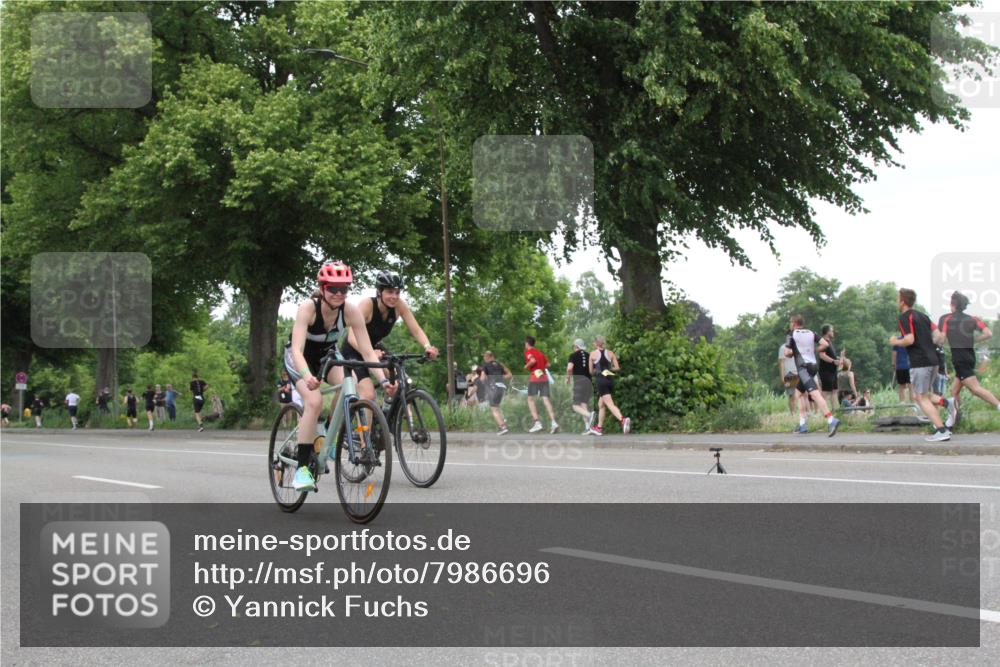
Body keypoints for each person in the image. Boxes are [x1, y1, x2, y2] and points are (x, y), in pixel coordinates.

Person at [283, 261, 397, 492]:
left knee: (352, 385)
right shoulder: (308, 307)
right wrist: (306, 376)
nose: (338, 294)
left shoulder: (350, 311)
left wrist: (384, 381)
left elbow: (366, 351)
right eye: (332, 288)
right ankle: (302, 470)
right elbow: (296, 349)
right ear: (322, 288)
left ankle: (326, 431)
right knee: (313, 402)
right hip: (300, 358)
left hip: (327, 357)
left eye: (343, 289)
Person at [340, 270, 438, 406]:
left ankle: (390, 415)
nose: (394, 296)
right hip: (353, 350)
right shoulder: (367, 305)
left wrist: (427, 347)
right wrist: (370, 352)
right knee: (368, 394)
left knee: (402, 381)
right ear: (379, 291)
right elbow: (351, 337)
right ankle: (362, 427)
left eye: (397, 292)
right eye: (390, 292)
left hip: (375, 347)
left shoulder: (399, 306)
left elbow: (415, 329)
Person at [889, 288, 955, 442]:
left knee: (920, 397)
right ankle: (947, 402)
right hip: (933, 360)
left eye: (897, 299)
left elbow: (909, 339)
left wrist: (895, 342)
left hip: (920, 362)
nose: (896, 301)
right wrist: (927, 344)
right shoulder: (923, 316)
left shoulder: (904, 317)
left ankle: (941, 430)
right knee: (922, 394)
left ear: (903, 301)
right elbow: (939, 336)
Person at [935, 290, 1000, 430]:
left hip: (960, 359)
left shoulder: (947, 319)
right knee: (954, 391)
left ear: (952, 304)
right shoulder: (973, 319)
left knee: (975, 389)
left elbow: (941, 338)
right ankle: (953, 422)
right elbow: (988, 333)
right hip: (969, 358)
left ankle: (998, 405)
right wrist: (974, 340)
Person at [785, 314, 841, 436]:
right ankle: (802, 424)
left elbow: (786, 353)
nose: (790, 324)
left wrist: (794, 352)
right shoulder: (811, 332)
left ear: (794, 323)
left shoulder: (791, 334)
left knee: (815, 394)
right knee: (798, 393)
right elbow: (825, 345)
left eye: (790, 322)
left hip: (803, 368)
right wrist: (814, 350)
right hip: (813, 366)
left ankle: (831, 419)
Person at [588, 336, 631, 435]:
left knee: (609, 404)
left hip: (601, 380)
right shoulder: (611, 353)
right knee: (601, 405)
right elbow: (617, 368)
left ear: (596, 343)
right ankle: (599, 428)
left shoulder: (592, 354)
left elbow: (590, 371)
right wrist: (607, 369)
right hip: (610, 380)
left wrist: (599, 370)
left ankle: (623, 420)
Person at [523, 336, 559, 434]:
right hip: (544, 377)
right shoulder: (540, 353)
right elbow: (548, 365)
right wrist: (541, 365)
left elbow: (532, 361)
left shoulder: (528, 352)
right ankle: (554, 422)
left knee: (530, 399)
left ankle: (537, 422)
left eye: (525, 343)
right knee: (546, 399)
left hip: (535, 377)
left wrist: (526, 366)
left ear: (527, 343)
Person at [567, 338, 595, 434]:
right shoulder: (589, 355)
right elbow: (593, 370)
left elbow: (569, 368)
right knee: (583, 404)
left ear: (576, 346)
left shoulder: (573, 355)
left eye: (574, 347)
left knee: (575, 406)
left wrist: (568, 378)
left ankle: (589, 415)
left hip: (579, 382)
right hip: (588, 382)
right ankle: (588, 428)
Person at [481, 351, 512, 434]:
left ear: (488, 357)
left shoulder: (485, 365)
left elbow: (482, 378)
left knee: (494, 409)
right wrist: (501, 378)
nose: (484, 358)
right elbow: (509, 375)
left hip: (493, 388)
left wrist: (485, 380)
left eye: (484, 357)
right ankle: (503, 422)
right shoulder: (500, 364)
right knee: (497, 407)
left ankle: (503, 427)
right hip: (502, 387)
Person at [817, 324, 840, 410]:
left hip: (833, 371)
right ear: (827, 332)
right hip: (826, 372)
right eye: (832, 330)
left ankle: (836, 411)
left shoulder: (829, 342)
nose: (833, 332)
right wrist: (834, 361)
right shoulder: (823, 342)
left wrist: (839, 359)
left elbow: (830, 355)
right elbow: (821, 355)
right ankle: (822, 413)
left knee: (834, 391)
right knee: (825, 393)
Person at [779, 340, 800, 416]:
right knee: (791, 394)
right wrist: (782, 377)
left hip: (798, 372)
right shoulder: (783, 348)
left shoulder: (797, 346)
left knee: (801, 393)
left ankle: (801, 412)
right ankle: (792, 413)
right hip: (788, 374)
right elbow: (781, 363)